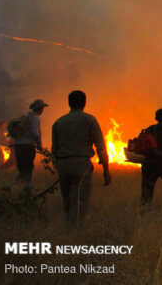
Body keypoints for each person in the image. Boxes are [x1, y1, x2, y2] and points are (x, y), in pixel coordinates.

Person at [50, 90, 110, 227]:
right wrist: (106, 170)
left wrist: (58, 164)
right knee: (78, 200)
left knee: (67, 199)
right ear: (84, 103)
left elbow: (54, 148)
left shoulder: (59, 122)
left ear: (69, 103)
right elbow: (100, 145)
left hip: (63, 164)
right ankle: (74, 232)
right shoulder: (89, 120)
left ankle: (68, 226)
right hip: (81, 164)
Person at [13, 99, 47, 183]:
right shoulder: (35, 118)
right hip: (27, 147)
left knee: (22, 170)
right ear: (40, 109)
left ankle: (17, 187)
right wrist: (39, 145)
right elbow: (36, 133)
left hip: (18, 146)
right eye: (43, 108)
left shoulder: (27, 117)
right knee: (28, 169)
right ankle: (26, 189)